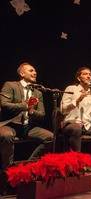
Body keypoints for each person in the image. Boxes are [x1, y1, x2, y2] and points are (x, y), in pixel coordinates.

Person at [0, 62, 53, 194]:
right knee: (6, 136)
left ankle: (27, 167)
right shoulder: (10, 85)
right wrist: (25, 105)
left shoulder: (37, 92)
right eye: (31, 70)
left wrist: (31, 111)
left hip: (28, 127)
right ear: (22, 73)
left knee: (51, 138)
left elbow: (42, 114)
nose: (35, 73)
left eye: (35, 71)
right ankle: (7, 173)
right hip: (9, 124)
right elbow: (4, 104)